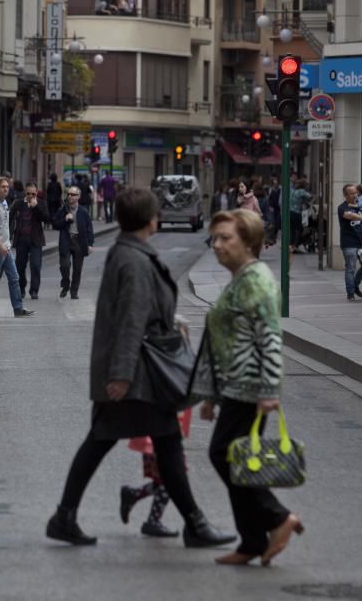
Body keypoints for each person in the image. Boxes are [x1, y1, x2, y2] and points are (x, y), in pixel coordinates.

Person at [46, 188, 236, 548]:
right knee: (154, 444)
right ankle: (194, 524)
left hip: (134, 371)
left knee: (137, 443)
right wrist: (120, 374)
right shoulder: (133, 260)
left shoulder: (128, 253)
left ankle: (65, 516)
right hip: (137, 375)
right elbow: (131, 319)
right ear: (152, 220)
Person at [196, 209, 302, 566]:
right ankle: (253, 541)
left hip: (251, 386)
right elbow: (223, 339)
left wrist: (270, 390)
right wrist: (212, 395)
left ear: (250, 242)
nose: (217, 245)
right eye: (215, 238)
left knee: (226, 455)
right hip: (235, 386)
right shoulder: (241, 277)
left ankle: (276, 519)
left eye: (227, 238)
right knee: (235, 458)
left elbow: (270, 338)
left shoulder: (256, 280)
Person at [119, 410, 194, 538]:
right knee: (172, 476)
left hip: (164, 426)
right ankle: (152, 520)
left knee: (167, 478)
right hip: (160, 428)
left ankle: (134, 495)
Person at [0, 177, 35, 317]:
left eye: (7, 186)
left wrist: (6, 244)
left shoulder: (4, 202)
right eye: (3, 187)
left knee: (14, 278)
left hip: (6, 247)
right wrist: (0, 245)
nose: (6, 189)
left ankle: (18, 308)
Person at [52, 186, 95, 299]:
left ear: (78, 197)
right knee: (64, 265)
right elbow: (55, 224)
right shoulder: (63, 210)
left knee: (77, 268)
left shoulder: (83, 211)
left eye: (73, 194)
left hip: (79, 242)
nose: (70, 196)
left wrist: (90, 244)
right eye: (69, 194)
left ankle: (74, 291)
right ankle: (65, 285)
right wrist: (65, 219)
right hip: (66, 240)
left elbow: (89, 229)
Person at [10, 181, 49, 300]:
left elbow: (46, 218)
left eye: (33, 194)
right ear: (25, 193)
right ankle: (22, 287)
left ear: (36, 193)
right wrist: (9, 235)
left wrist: (36, 207)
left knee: (36, 266)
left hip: (36, 240)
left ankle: (34, 290)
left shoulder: (41, 203)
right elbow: (10, 219)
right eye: (28, 193)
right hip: (21, 239)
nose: (31, 196)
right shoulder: (18, 203)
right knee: (20, 267)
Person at [339, 185, 362, 301]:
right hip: (349, 243)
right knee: (351, 268)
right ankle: (351, 293)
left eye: (356, 193)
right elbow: (348, 215)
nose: (355, 195)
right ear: (345, 195)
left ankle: (355, 285)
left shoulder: (361, 206)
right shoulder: (342, 207)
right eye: (352, 193)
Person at [289, 180, 312, 253]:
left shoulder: (292, 191)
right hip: (297, 213)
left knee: (292, 230)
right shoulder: (301, 191)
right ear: (303, 185)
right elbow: (310, 196)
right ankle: (296, 245)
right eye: (307, 185)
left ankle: (291, 245)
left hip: (290, 212)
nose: (308, 186)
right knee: (300, 229)